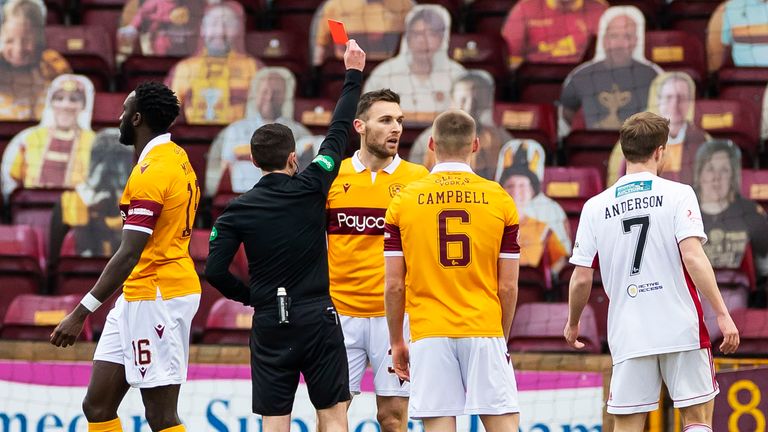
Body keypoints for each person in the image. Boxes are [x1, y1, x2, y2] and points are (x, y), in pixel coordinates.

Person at [204, 40, 365, 432]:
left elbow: (214, 270)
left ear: (255, 162)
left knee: (275, 419)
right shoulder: (313, 182)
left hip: (269, 322)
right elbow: (338, 132)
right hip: (317, 316)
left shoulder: (236, 210)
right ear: (294, 158)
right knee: (332, 412)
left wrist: (251, 297)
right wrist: (353, 74)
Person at [565, 112, 740, 432]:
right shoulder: (679, 194)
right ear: (661, 150)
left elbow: (581, 278)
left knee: (628, 425)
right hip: (681, 328)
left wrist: (574, 322)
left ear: (624, 149)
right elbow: (694, 257)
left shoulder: (595, 206)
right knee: (697, 420)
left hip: (630, 333)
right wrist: (722, 313)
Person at [49, 82, 200, 432]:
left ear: (136, 118)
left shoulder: (152, 173)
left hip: (160, 296)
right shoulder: (174, 156)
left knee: (161, 416)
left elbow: (129, 251)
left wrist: (80, 313)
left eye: (123, 111)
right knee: (97, 406)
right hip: (138, 293)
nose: (117, 117)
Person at [384, 110, 521, 432]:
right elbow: (509, 288)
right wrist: (499, 336)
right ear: (475, 145)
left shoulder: (404, 201)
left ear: (431, 144)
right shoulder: (500, 199)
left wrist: (396, 341)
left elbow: (393, 286)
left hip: (429, 331)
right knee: (504, 425)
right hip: (483, 326)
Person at [325, 88, 427, 432]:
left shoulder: (418, 181)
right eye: (385, 120)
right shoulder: (331, 178)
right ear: (360, 126)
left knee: (393, 418)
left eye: (399, 120)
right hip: (340, 316)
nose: (396, 128)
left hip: (396, 320)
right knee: (332, 415)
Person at [205, 67, 312, 197]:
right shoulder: (235, 130)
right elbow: (222, 171)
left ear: (285, 96)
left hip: (285, 200)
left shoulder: (301, 133)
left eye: (276, 92)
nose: (270, 97)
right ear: (255, 94)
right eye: (265, 91)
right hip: (242, 199)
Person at [559, 6, 662, 130]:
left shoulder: (653, 75)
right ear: (604, 40)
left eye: (627, 37)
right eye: (614, 36)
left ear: (636, 41)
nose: (619, 44)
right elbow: (567, 113)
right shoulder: (581, 75)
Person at [363, 5, 466, 122]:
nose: (423, 41)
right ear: (407, 37)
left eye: (431, 34)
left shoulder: (458, 75)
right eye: (417, 34)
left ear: (442, 38)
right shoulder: (384, 74)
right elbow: (367, 119)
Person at [693, 140, 768, 299]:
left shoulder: (752, 213)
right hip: (692, 295)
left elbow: (764, 270)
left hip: (738, 298)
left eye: (724, 170)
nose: (716, 178)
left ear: (733, 176)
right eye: (710, 169)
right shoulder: (683, 211)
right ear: (699, 173)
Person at [166, 1, 262, 124]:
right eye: (213, 23)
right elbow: (167, 120)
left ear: (239, 30)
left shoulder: (254, 68)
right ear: (203, 29)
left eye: (228, 24)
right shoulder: (183, 69)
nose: (220, 32)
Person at [1, 74, 95, 200]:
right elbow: (12, 180)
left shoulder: (95, 142)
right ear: (50, 103)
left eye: (74, 99)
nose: (65, 105)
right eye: (59, 98)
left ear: (84, 105)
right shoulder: (28, 138)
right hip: (32, 210)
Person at [607, 72, 710, 186]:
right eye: (668, 97)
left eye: (682, 97)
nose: (674, 104)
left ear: (691, 102)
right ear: (657, 101)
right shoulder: (633, 139)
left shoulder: (703, 141)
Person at [408, 70, 511, 179]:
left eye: (476, 100)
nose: (469, 106)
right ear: (452, 100)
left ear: (487, 102)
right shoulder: (425, 140)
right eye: (463, 100)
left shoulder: (501, 139)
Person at [494, 139, 572, 255]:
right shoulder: (489, 208)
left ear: (532, 190)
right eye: (510, 185)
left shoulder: (551, 212)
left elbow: (560, 262)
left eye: (522, 186)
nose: (515, 192)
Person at [0, 0, 71, 120]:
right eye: (9, 41)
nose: (18, 49)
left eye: (27, 41)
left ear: (40, 39)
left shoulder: (54, 65)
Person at [501, 0, 607, 70]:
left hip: (585, 79)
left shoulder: (599, 9)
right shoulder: (525, 8)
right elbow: (511, 61)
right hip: (539, 82)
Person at [311, 0, 414, 66]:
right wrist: (316, 72)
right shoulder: (335, 5)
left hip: (389, 68)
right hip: (345, 70)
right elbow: (321, 47)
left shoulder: (406, 5)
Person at [116, 0, 206, 61]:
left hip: (188, 46)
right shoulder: (156, 2)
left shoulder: (195, 4)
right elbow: (142, 14)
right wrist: (133, 26)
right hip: (162, 44)